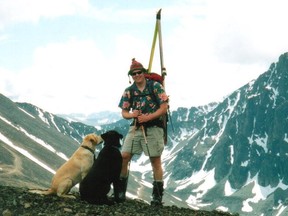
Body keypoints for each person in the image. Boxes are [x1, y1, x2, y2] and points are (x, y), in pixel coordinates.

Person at [117, 58, 169, 206]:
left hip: (154, 127)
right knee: (124, 156)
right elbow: (124, 112)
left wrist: (149, 117)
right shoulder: (129, 91)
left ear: (144, 73)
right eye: (134, 73)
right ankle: (120, 192)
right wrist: (132, 115)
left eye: (139, 72)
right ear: (131, 76)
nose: (137, 75)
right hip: (136, 127)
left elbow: (164, 107)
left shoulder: (156, 86)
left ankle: (157, 197)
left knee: (155, 160)